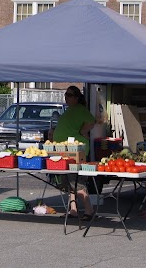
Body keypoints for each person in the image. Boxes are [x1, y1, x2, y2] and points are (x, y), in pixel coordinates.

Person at [52, 86, 97, 220]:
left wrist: (83, 132)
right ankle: (73, 209)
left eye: (70, 95)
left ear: (77, 98)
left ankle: (89, 209)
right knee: (68, 181)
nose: (67, 97)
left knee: (76, 180)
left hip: (76, 151)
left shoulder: (81, 110)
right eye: (66, 95)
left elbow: (92, 122)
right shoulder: (70, 110)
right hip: (65, 150)